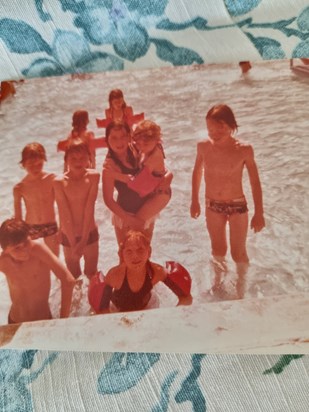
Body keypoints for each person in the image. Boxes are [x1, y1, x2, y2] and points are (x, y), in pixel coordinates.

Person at [190, 104, 265, 299]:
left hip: (238, 206)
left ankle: (242, 289)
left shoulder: (244, 149)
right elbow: (197, 173)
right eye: (211, 129)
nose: (215, 133)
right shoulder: (203, 147)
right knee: (218, 249)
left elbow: (255, 182)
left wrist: (259, 212)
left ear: (231, 125)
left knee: (238, 252)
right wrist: (194, 200)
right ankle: (218, 285)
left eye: (220, 127)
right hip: (213, 205)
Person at [102, 121, 172, 245]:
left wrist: (169, 176)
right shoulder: (109, 165)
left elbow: (159, 169)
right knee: (125, 256)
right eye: (114, 138)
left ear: (130, 137)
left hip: (147, 208)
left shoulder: (139, 147)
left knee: (144, 253)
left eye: (123, 136)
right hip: (125, 214)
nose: (119, 142)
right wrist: (129, 220)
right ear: (106, 139)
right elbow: (108, 200)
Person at [91, 230, 192, 313]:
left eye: (140, 250)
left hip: (147, 306)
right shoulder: (115, 276)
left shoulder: (156, 272)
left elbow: (186, 298)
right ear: (121, 255)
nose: (135, 256)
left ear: (149, 252)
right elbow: (102, 310)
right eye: (129, 251)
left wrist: (174, 316)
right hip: (118, 309)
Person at [0, 219, 76, 324]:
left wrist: (63, 320)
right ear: (6, 250)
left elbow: (68, 280)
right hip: (15, 322)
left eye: (26, 242)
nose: (24, 250)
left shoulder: (39, 251)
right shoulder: (3, 261)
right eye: (17, 248)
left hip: (42, 322)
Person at [53, 140, 100, 279]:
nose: (78, 162)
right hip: (68, 235)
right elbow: (64, 212)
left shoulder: (93, 177)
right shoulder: (59, 182)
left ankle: (91, 301)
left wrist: (84, 239)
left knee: (91, 274)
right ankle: (77, 302)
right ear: (66, 159)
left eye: (82, 158)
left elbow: (89, 208)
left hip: (89, 233)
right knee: (73, 276)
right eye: (73, 158)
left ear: (89, 158)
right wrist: (74, 244)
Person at [13, 143, 59, 256]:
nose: (36, 168)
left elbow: (63, 206)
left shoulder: (52, 179)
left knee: (54, 261)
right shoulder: (20, 187)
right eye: (31, 165)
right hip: (30, 228)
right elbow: (18, 217)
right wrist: (19, 238)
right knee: (37, 265)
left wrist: (63, 228)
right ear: (23, 164)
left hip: (50, 225)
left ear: (44, 160)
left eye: (39, 164)